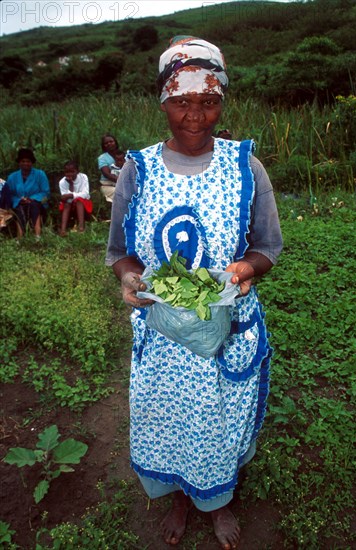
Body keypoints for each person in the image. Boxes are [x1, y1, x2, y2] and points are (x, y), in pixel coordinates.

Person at [106, 36, 283, 550]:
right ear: (162, 101)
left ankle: (219, 502)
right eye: (182, 101)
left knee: (219, 420)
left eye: (208, 101)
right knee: (170, 420)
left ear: (222, 101)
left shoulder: (245, 166)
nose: (195, 115)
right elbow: (119, 250)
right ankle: (182, 497)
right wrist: (127, 279)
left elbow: (269, 245)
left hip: (225, 332)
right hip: (164, 336)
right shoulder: (137, 170)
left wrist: (247, 267)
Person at [6, 148, 50, 239]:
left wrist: (33, 198)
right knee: (18, 208)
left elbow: (46, 192)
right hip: (19, 204)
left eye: (28, 161)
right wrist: (19, 200)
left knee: (34, 205)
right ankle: (20, 236)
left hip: (37, 204)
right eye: (23, 161)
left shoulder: (40, 174)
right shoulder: (12, 177)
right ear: (19, 162)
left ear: (32, 162)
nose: (25, 163)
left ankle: (37, 235)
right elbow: (9, 195)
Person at [58, 160, 93, 236]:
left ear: (77, 171)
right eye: (67, 172)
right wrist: (71, 184)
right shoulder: (62, 182)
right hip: (69, 205)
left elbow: (85, 194)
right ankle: (63, 230)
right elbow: (64, 198)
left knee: (79, 201)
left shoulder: (83, 177)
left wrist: (71, 195)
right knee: (67, 204)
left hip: (83, 204)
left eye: (72, 172)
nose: (69, 174)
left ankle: (81, 228)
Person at [98, 134, 120, 203]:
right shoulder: (102, 158)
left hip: (121, 184)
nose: (109, 144)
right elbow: (106, 174)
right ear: (103, 146)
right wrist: (121, 181)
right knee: (121, 195)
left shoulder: (122, 155)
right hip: (108, 186)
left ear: (115, 142)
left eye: (111, 141)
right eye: (106, 143)